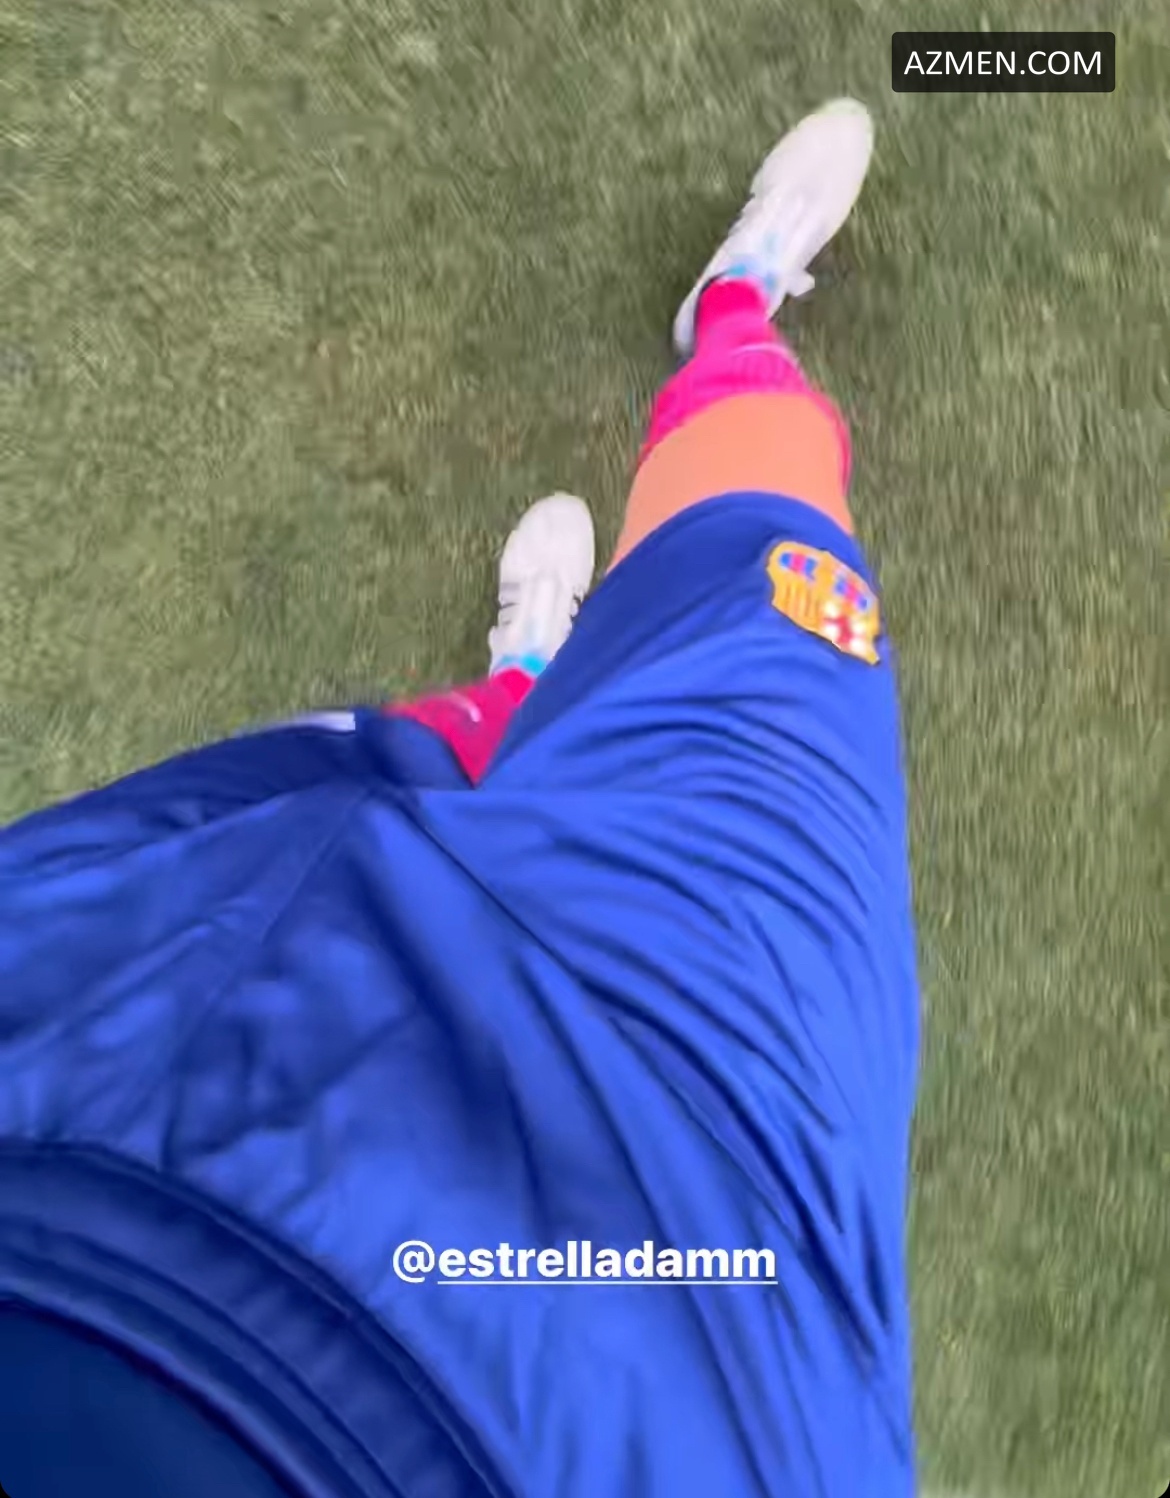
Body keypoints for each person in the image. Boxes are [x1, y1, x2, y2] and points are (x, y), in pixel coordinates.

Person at [0, 99, 919, 1497]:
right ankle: (736, 308)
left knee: (361, 782)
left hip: (65, 1046)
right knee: (775, 541)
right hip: (697, 1314)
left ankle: (516, 696)